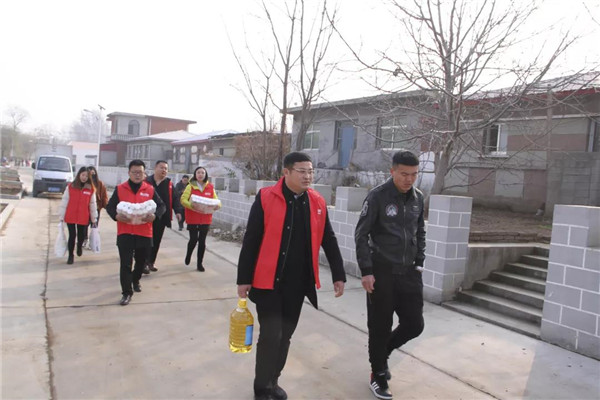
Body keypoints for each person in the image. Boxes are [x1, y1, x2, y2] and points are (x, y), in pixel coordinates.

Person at [237, 152, 346, 400]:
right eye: (302, 171)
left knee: (285, 335)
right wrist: (243, 278)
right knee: (271, 335)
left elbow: (328, 238)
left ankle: (273, 380)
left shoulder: (317, 202)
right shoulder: (266, 197)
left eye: (311, 171)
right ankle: (261, 388)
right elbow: (251, 239)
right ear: (286, 172)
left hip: (297, 284)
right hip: (267, 282)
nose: (308, 176)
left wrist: (338, 274)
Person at [354, 150, 426, 400]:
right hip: (381, 272)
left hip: (409, 273)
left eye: (414, 174)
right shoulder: (377, 196)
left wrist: (419, 261)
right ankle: (379, 375)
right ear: (392, 171)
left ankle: (381, 355)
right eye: (404, 174)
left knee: (415, 325)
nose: (409, 179)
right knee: (380, 326)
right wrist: (367, 271)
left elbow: (420, 231)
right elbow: (361, 235)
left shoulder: (418, 198)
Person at [105, 160, 166, 306]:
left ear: (144, 174)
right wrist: (116, 216)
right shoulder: (120, 189)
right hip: (125, 232)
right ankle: (126, 293)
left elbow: (162, 206)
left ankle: (135, 279)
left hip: (144, 232)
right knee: (125, 264)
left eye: (140, 172)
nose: (137, 175)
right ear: (129, 173)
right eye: (134, 172)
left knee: (141, 263)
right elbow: (110, 207)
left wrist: (155, 216)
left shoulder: (149, 189)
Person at [144, 160, 183, 273]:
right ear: (155, 168)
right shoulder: (147, 182)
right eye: (161, 167)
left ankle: (151, 262)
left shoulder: (169, 184)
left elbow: (175, 199)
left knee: (156, 241)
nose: (164, 170)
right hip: (146, 216)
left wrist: (178, 211)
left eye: (166, 168)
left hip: (161, 217)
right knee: (146, 241)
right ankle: (144, 263)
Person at [180, 166, 219, 271]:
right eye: (198, 172)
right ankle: (188, 255)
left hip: (205, 219)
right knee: (193, 240)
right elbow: (183, 199)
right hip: (193, 218)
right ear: (195, 174)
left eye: (202, 173)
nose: (200, 174)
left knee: (202, 241)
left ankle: (199, 263)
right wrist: (191, 206)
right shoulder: (190, 186)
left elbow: (216, 200)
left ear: (205, 175)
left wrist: (217, 206)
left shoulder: (210, 187)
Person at [57, 167, 98, 265]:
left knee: (81, 235)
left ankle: (79, 246)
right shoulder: (71, 187)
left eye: (86, 176)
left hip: (83, 216)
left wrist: (94, 218)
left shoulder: (90, 189)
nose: (84, 177)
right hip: (71, 215)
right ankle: (70, 255)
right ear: (79, 175)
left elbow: (92, 205)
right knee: (72, 235)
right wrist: (61, 216)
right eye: (82, 175)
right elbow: (64, 202)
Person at [85, 165, 109, 249]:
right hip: (85, 209)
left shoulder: (100, 184)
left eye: (93, 173)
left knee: (94, 226)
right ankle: (84, 239)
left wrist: (106, 206)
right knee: (84, 226)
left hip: (96, 208)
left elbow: (104, 196)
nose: (92, 175)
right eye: (90, 174)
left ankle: (92, 242)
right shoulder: (85, 184)